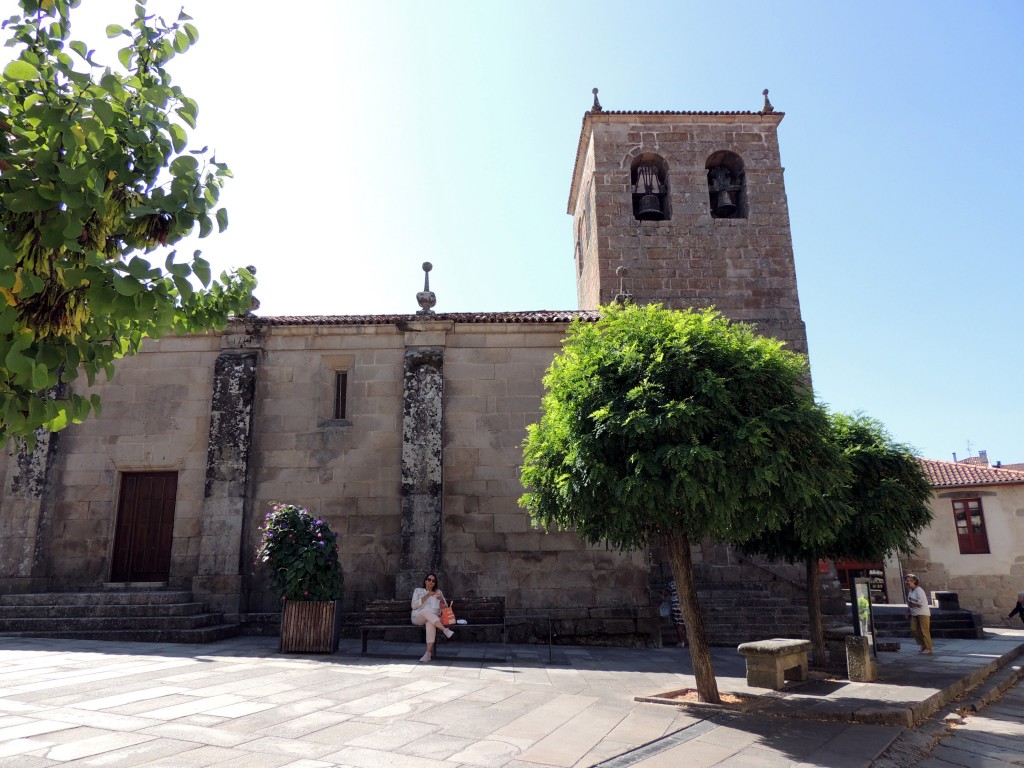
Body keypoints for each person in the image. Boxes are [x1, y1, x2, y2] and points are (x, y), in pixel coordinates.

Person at [411, 573, 454, 662]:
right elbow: (413, 605)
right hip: (417, 616)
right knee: (426, 611)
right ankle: (445, 630)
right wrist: (427, 595)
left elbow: (445, 607)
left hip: (432, 618)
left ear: (435, 583)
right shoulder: (418, 591)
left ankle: (428, 654)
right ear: (425, 581)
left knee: (430, 623)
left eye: (433, 581)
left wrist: (441, 600)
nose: (431, 582)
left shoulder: (438, 592)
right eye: (429, 580)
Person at [905, 573, 932, 655]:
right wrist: (908, 611)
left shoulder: (919, 590)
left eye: (908, 581)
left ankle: (928, 648)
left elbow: (920, 604)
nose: (907, 583)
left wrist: (912, 605)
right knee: (914, 629)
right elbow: (909, 602)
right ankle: (923, 645)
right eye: (906, 581)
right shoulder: (911, 591)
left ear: (914, 581)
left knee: (925, 631)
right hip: (914, 613)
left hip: (923, 613)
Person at [664, 579, 687, 647]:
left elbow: (666, 593)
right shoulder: (686, 582)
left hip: (676, 605)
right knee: (687, 623)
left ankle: (681, 641)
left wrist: (663, 593)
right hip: (685, 605)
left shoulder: (672, 583)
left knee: (678, 624)